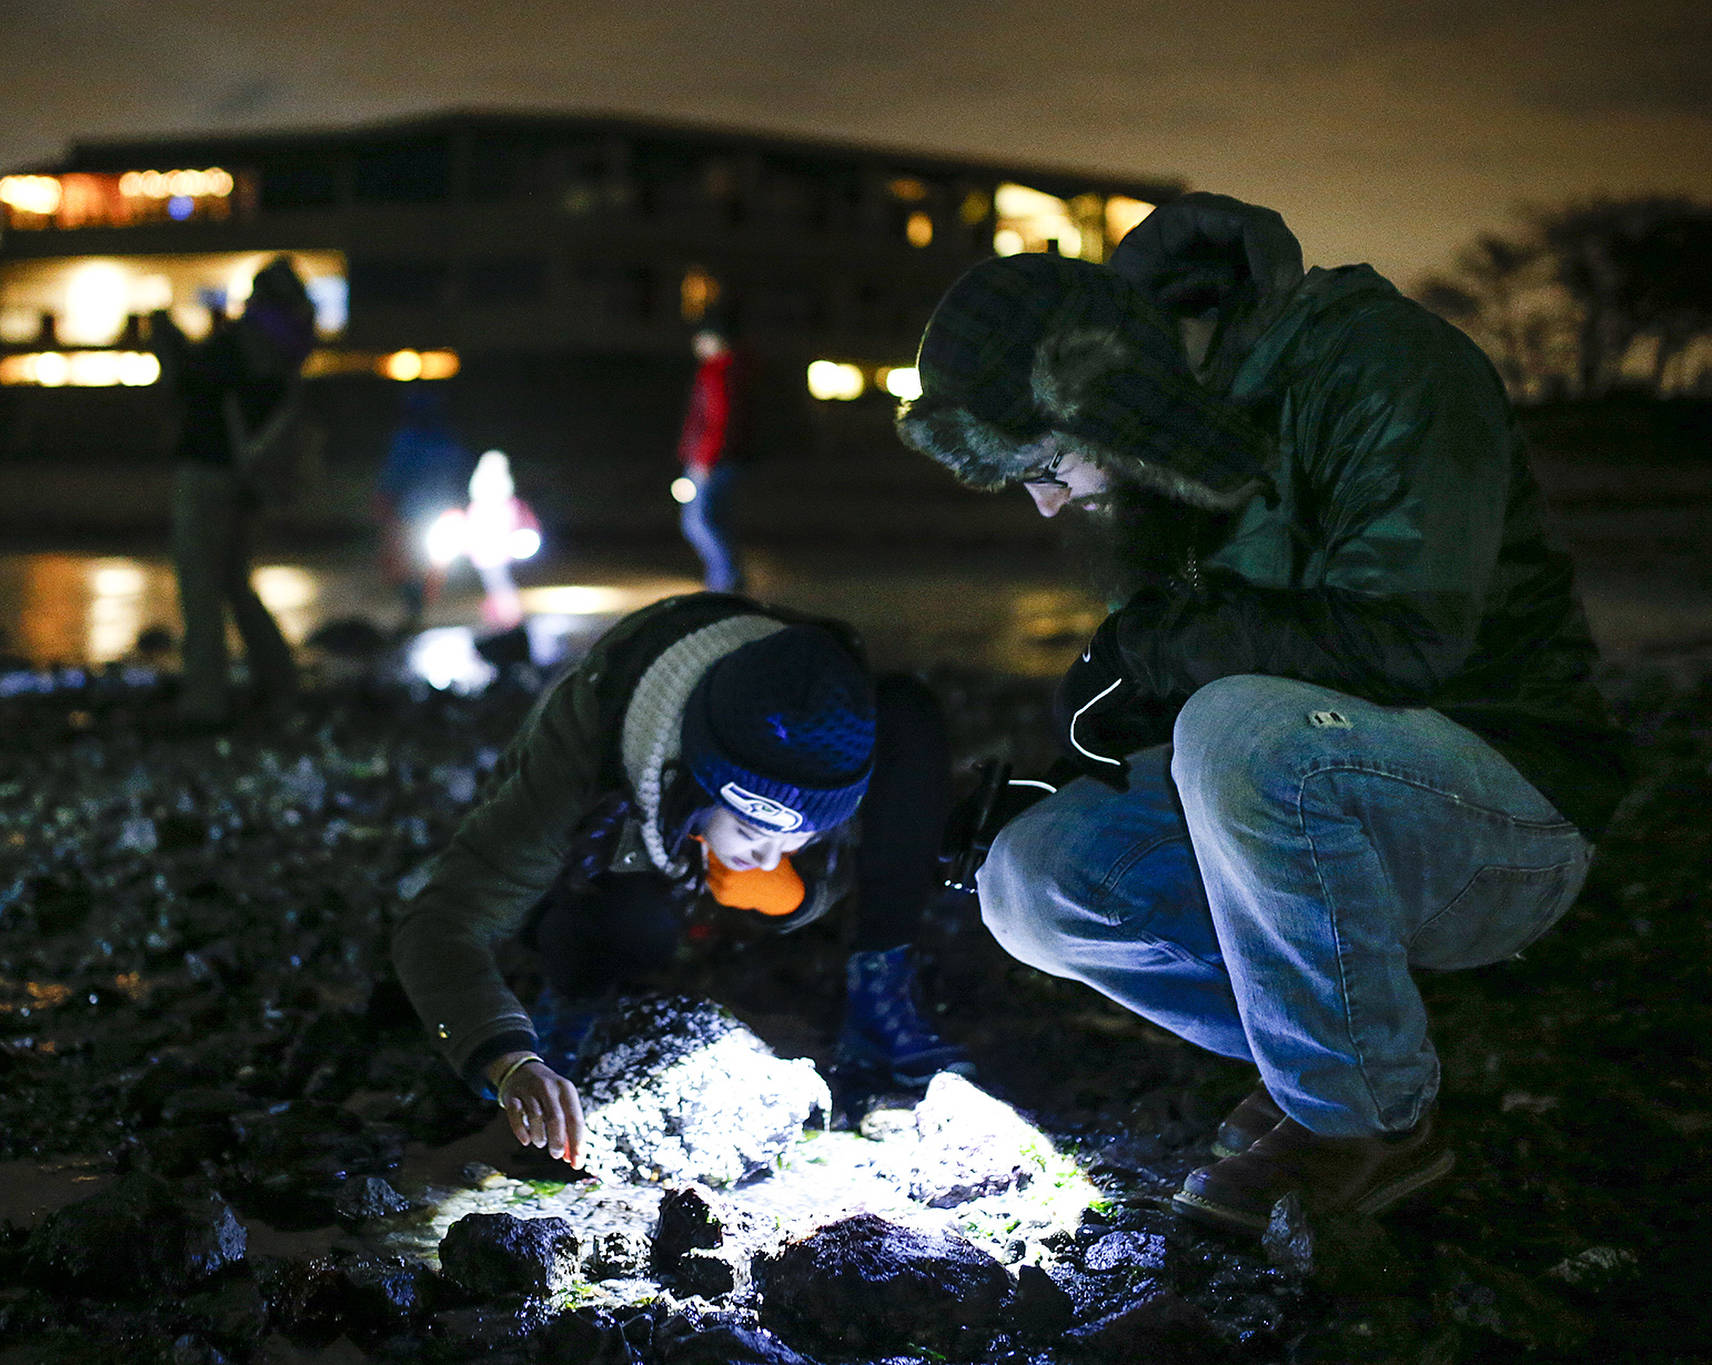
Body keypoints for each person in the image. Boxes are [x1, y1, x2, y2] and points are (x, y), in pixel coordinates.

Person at [895, 193, 1630, 1234]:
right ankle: (1352, 1045)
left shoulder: (1383, 365)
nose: (1047, 506)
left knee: (1237, 729)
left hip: (1505, 807)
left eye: (1046, 467)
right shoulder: (1163, 455)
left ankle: (1362, 1119)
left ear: (1106, 399)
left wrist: (1164, 648)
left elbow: (1400, 644)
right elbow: (1208, 704)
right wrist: (1069, 779)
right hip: (1324, 788)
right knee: (1032, 877)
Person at [391, 592, 968, 1167]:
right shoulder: (579, 748)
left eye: (794, 842)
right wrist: (510, 1060)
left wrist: (802, 892)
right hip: (611, 838)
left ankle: (880, 999)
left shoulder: (818, 716)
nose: (769, 860)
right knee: (629, 919)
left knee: (908, 715)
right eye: (750, 833)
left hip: (689, 819)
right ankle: (573, 996)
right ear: (697, 785)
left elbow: (823, 844)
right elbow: (439, 926)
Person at [152, 257, 315, 727]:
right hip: (247, 480)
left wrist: (166, 338)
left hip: (207, 473)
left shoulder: (240, 344)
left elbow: (187, 382)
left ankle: (206, 700)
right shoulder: (286, 348)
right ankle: (279, 680)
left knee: (200, 588)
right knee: (234, 583)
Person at [375, 386, 474, 632]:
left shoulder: (443, 442)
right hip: (413, 514)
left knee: (430, 563)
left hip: (432, 513)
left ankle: (417, 608)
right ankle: (414, 608)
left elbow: (461, 472)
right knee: (412, 564)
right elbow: (393, 477)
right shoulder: (409, 442)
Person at [675, 326, 747, 592]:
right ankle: (727, 577)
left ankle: (725, 577)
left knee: (696, 521)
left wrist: (704, 460)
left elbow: (717, 420)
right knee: (716, 519)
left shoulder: (716, 372)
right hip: (725, 460)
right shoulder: (732, 371)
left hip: (712, 461)